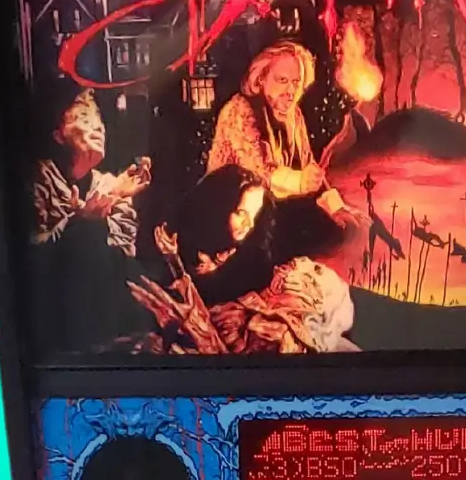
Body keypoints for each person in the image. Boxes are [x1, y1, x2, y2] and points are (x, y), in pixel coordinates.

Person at [132, 165, 357, 354]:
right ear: (219, 208)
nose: (248, 225)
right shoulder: (177, 240)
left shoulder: (254, 248)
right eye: (240, 213)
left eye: (254, 214)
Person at [206, 39, 364, 258]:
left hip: (272, 214)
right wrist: (300, 181)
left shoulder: (293, 115)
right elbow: (259, 173)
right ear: (261, 79)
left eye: (296, 82)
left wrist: (335, 206)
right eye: (282, 80)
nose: (291, 90)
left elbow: (309, 165)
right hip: (234, 219)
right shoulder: (239, 110)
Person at [33, 89, 149, 255]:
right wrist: (79, 223)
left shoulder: (111, 185)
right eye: (85, 119)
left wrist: (113, 197)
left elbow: (124, 254)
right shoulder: (40, 178)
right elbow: (33, 253)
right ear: (59, 136)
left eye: (99, 120)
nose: (98, 127)